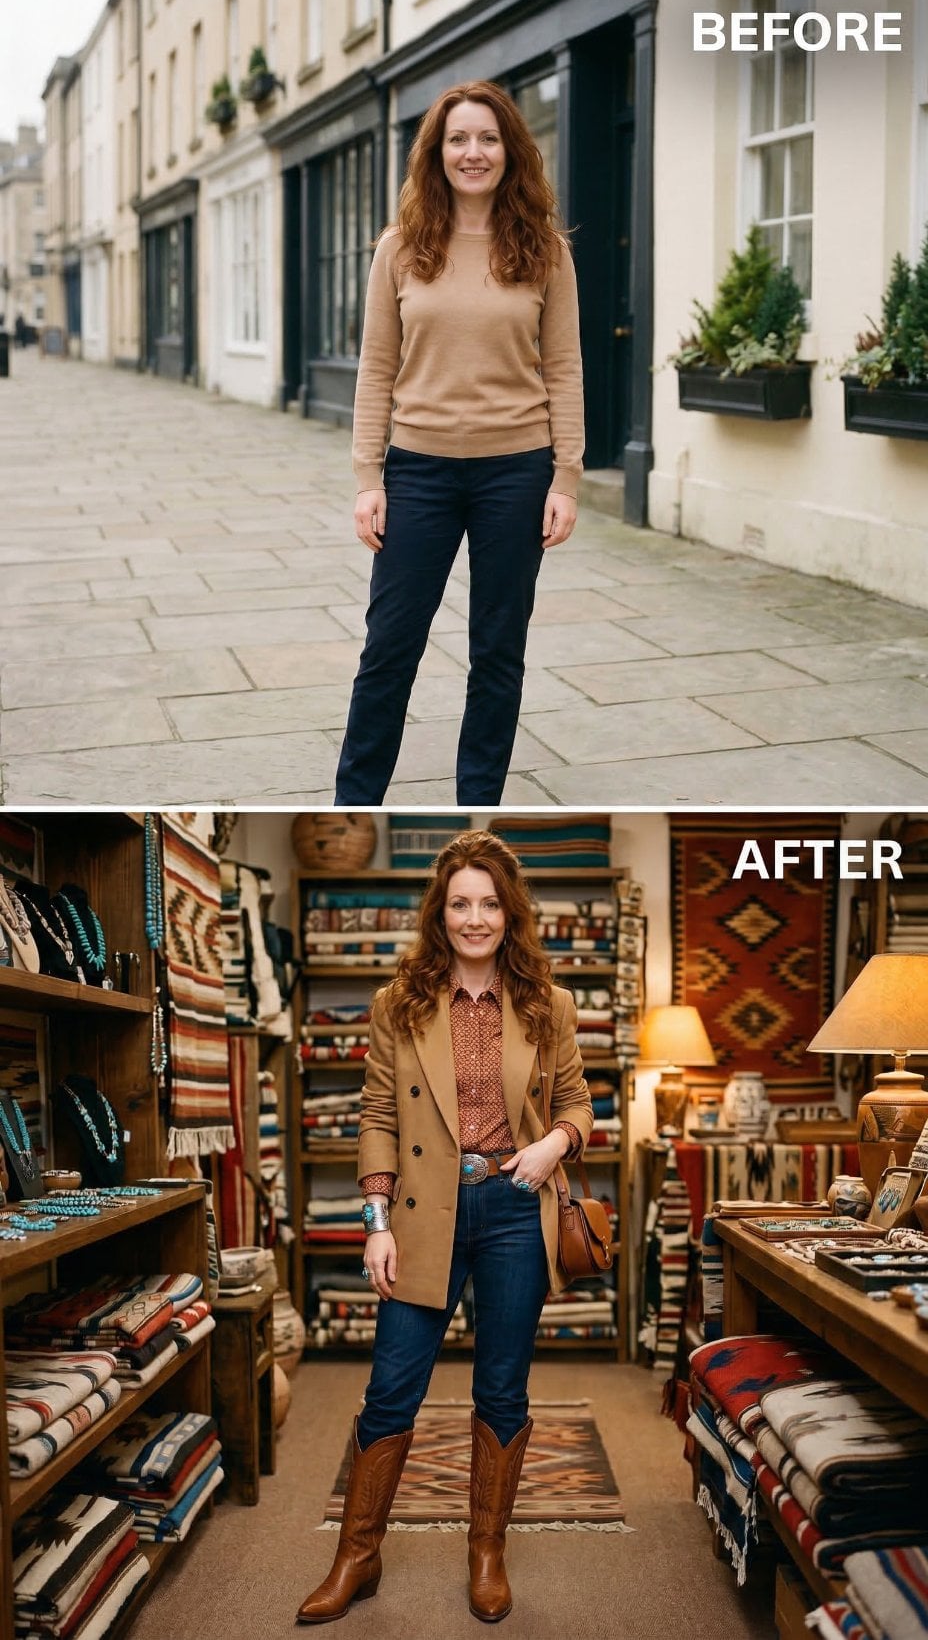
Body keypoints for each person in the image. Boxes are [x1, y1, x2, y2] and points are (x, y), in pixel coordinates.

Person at [296, 830, 593, 1625]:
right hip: (425, 1214)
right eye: (460, 902)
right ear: (440, 912)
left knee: (501, 1387)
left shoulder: (547, 1003)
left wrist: (550, 1145)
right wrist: (375, 1220)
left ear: (510, 913)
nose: (474, 917)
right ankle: (357, 1554)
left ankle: (486, 1550)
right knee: (392, 1387)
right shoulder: (401, 1003)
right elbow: (376, 1116)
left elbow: (578, 1106)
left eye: (489, 903)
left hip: (513, 1210)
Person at [334, 80, 584, 808]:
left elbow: (564, 366)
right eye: (458, 140)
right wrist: (367, 476)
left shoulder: (545, 252)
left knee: (497, 653)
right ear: (436, 154)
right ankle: (354, 798)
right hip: (418, 473)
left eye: (487, 138)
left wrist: (564, 478)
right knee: (389, 649)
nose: (473, 152)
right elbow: (377, 365)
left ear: (511, 151)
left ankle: (479, 802)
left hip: (517, 472)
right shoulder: (401, 250)